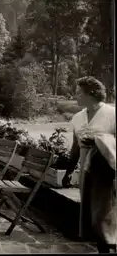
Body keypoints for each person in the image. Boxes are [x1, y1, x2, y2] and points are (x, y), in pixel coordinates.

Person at [62, 76, 116, 253]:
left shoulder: (111, 114)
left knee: (102, 217)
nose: (75, 96)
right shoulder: (78, 118)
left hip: (107, 173)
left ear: (91, 94)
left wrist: (98, 140)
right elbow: (75, 147)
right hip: (86, 173)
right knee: (92, 218)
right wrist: (69, 171)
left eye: (78, 93)